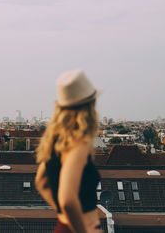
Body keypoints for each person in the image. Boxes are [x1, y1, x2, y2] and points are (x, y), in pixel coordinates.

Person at [35, 70, 102, 233]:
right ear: (89, 105)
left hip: (64, 226)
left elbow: (41, 182)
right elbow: (67, 199)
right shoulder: (79, 142)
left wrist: (63, 216)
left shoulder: (55, 140)